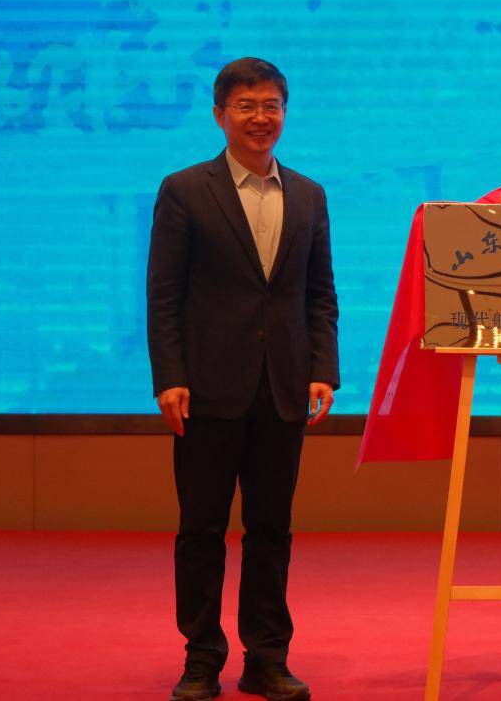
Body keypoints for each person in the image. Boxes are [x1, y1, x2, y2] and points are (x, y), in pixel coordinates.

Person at [147, 57, 339, 701]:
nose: (261, 117)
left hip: (283, 388)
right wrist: (169, 376)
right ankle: (201, 659)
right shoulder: (184, 189)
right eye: (247, 106)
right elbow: (164, 294)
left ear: (285, 112)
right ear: (220, 115)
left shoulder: (308, 194)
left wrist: (323, 369)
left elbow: (319, 294)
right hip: (205, 390)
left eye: (271, 105)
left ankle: (267, 659)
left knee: (271, 531)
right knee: (202, 530)